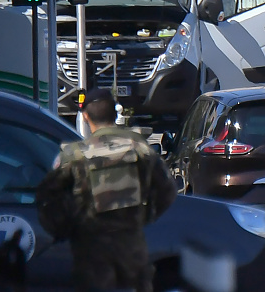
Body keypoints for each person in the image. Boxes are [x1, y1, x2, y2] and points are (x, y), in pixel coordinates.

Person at [50, 88, 177, 292]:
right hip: (131, 252)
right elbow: (168, 190)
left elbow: (51, 198)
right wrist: (144, 216)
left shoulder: (74, 154)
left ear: (85, 116)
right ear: (116, 114)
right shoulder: (139, 147)